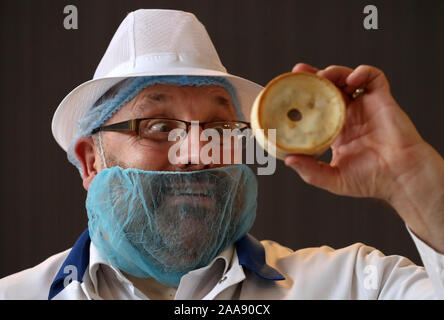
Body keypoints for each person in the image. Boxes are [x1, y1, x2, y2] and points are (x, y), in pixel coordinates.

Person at [0, 9, 443, 300]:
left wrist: (415, 182)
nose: (197, 153)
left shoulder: (353, 286)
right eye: (159, 126)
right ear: (92, 161)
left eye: (218, 128)